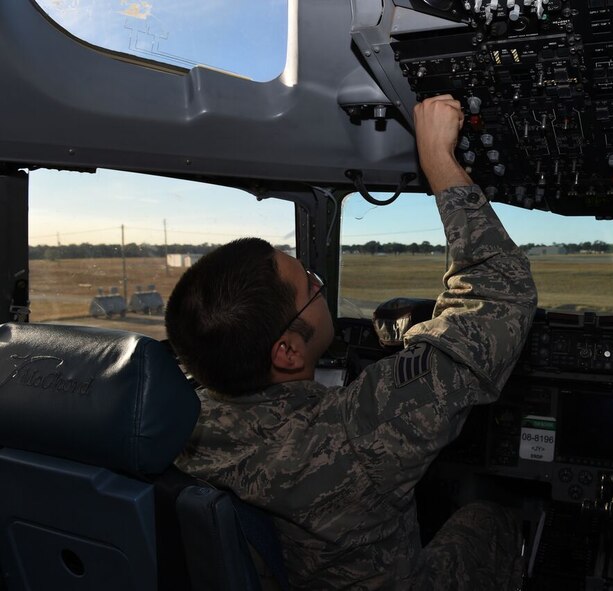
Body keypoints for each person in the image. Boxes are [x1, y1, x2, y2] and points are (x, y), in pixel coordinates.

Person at [165, 94, 538, 589]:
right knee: (490, 520)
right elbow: (500, 294)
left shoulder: (174, 424)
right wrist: (437, 162)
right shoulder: (354, 434)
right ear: (288, 351)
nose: (320, 287)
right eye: (310, 287)